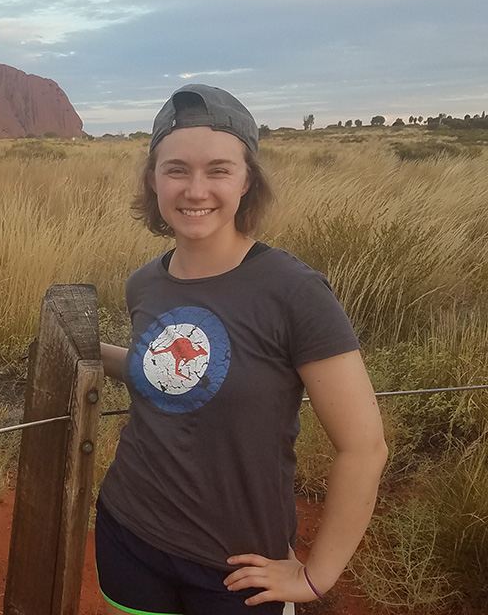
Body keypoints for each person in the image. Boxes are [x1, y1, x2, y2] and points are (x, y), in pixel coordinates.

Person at [96, 84, 388, 615]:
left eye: (219, 170)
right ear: (153, 180)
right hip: (129, 533)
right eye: (177, 169)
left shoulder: (292, 291)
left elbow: (365, 447)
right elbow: (168, 374)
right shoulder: (145, 284)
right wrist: (88, 353)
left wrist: (317, 577)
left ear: (248, 179)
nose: (196, 188)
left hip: (237, 570)